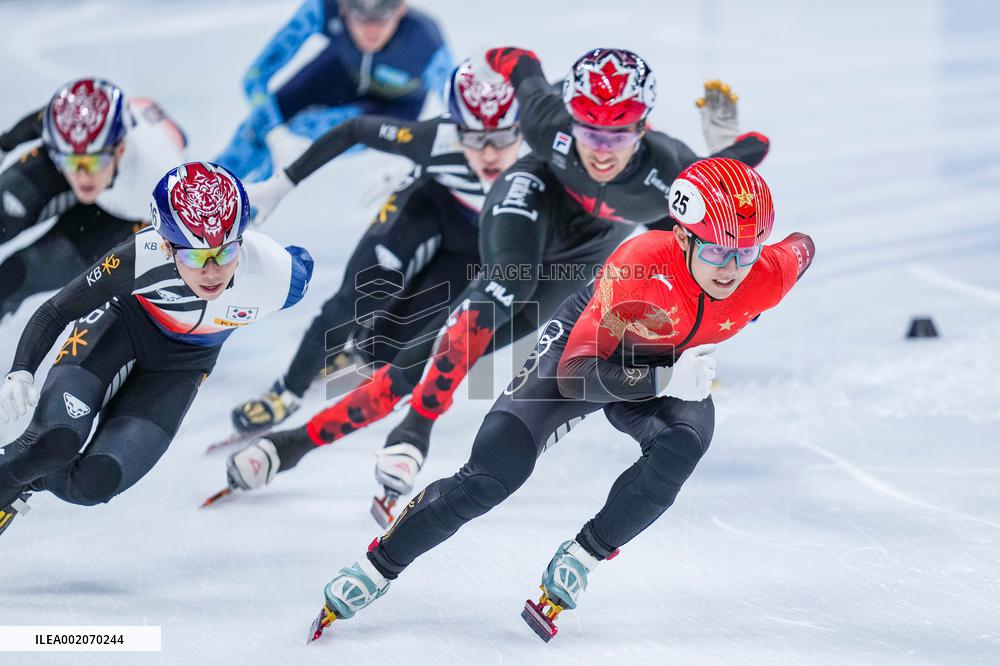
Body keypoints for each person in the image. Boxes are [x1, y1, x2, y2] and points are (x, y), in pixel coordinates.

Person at [233, 47, 771, 520]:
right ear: (569, 118)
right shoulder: (544, 120)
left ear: (644, 126)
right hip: (531, 199)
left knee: (430, 356)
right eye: (587, 130)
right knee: (500, 290)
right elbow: (512, 59)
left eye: (620, 133)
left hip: (580, 260)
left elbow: (739, 174)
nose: (601, 149)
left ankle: (290, 446)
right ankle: (414, 431)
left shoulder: (672, 171)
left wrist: (729, 145)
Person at [306, 157, 815, 642]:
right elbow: (577, 375)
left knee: (684, 443)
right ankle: (378, 565)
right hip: (589, 351)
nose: (731, 269)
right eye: (716, 253)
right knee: (491, 474)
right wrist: (663, 380)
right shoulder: (639, 264)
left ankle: (585, 556)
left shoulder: (769, 272)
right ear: (682, 235)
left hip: (668, 362)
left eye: (745, 254)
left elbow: (803, 246)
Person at [221, 58, 526, 517]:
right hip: (430, 203)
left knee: (402, 343)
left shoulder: (549, 149)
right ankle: (286, 390)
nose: (487, 153)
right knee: (358, 295)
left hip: (478, 242)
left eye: (502, 138)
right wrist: (282, 184)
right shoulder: (434, 140)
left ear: (525, 127)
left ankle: (361, 353)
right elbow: (356, 129)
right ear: (453, 127)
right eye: (472, 137)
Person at [0, 162, 313, 537]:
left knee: (95, 482)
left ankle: (24, 481)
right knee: (55, 441)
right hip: (121, 326)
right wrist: (21, 370)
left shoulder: (278, 276)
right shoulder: (140, 256)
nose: (212, 272)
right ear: (166, 245)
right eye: (195, 257)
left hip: (182, 365)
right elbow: (56, 310)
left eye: (224, 254)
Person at [0, 78, 187, 322]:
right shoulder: (65, 128)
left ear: (120, 149)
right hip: (93, 156)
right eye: (69, 162)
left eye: (94, 162)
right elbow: (31, 127)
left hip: (121, 217)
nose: (81, 175)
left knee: (14, 277)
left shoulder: (158, 179)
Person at [214, 0, 452, 181]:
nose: (371, 30)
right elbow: (255, 77)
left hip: (395, 106)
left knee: (302, 135)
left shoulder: (425, 40)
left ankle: (239, 212)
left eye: (382, 19)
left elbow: (457, 105)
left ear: (401, 10)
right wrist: (273, 132)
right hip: (340, 73)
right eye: (360, 18)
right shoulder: (322, 7)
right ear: (342, 9)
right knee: (255, 129)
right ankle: (194, 193)